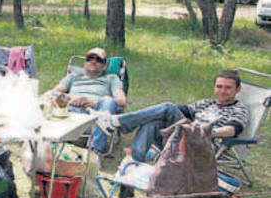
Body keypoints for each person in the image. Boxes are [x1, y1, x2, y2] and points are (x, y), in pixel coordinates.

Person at [95, 69, 248, 162]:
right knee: (153, 122)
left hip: (202, 143)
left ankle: (117, 122)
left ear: (238, 90)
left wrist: (205, 130)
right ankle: (135, 161)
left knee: (168, 107)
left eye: (228, 88)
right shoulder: (207, 103)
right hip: (182, 137)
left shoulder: (239, 109)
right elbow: (178, 110)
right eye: (219, 86)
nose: (222, 91)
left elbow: (232, 130)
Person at [50, 47, 127, 152]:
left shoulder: (111, 78)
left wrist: (95, 103)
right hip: (70, 113)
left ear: (104, 66)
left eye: (98, 60)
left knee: (109, 101)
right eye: (90, 58)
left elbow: (122, 100)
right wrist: (71, 98)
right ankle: (51, 145)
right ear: (85, 63)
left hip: (96, 117)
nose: (93, 61)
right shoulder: (73, 76)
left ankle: (94, 151)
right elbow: (53, 93)